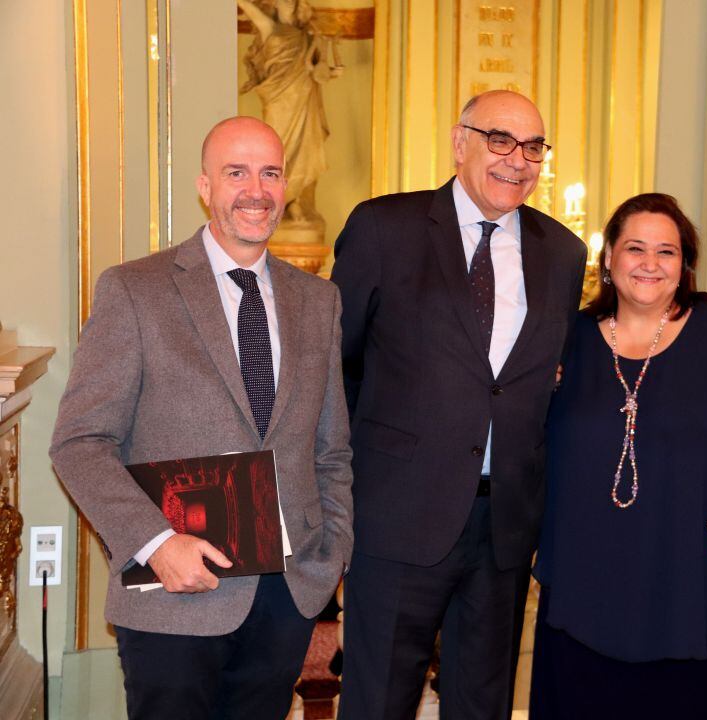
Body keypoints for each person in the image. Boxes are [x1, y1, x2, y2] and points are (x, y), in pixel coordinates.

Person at [49, 116, 353, 720]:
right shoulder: (135, 290)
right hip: (173, 595)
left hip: (285, 598)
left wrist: (328, 558)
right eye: (235, 172)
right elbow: (80, 442)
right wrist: (156, 543)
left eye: (269, 173)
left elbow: (331, 450)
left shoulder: (318, 301)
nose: (255, 190)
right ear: (204, 186)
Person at [331, 90, 587, 719]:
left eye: (533, 147)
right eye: (500, 139)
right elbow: (337, 367)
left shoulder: (564, 253)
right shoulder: (383, 228)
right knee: (378, 703)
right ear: (459, 142)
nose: (517, 160)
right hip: (396, 517)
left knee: (483, 705)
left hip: (502, 526)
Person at [529, 193, 707, 719]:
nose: (650, 264)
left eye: (667, 252)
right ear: (608, 258)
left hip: (705, 590)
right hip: (589, 592)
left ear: (685, 266)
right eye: (635, 248)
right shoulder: (564, 341)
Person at [238, 0, 342, 223]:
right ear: (275, 5)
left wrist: (332, 72)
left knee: (305, 148)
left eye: (292, 3)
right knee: (276, 149)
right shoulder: (270, 28)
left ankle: (296, 202)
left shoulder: (306, 37)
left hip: (304, 98)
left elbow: (317, 72)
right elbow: (247, 7)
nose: (289, 6)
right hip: (277, 98)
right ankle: (275, 203)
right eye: (284, 2)